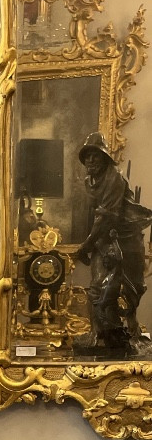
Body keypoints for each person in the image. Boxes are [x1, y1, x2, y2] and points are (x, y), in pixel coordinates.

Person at [77, 132, 152, 345]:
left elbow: (108, 215)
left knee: (132, 287)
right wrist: (93, 241)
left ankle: (132, 330)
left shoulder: (114, 177)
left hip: (127, 239)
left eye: (96, 155)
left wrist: (86, 244)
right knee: (97, 287)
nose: (91, 160)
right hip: (105, 238)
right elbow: (97, 216)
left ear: (105, 157)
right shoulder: (88, 181)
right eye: (87, 156)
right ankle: (97, 333)